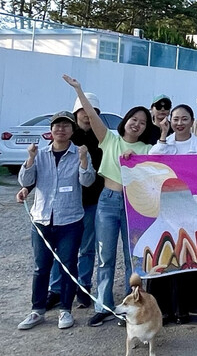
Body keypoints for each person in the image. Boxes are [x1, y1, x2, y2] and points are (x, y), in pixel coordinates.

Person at [62, 74, 155, 327]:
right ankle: (103, 305)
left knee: (132, 258)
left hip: (134, 203)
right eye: (134, 119)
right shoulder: (110, 138)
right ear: (126, 121)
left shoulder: (147, 150)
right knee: (105, 256)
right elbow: (91, 117)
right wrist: (79, 90)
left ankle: (131, 308)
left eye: (143, 122)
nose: (137, 124)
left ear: (146, 128)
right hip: (108, 200)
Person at [19, 93, 105, 312]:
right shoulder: (64, 139)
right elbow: (43, 173)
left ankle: (82, 286)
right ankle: (56, 290)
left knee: (85, 249)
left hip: (91, 202)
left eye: (92, 111)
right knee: (59, 252)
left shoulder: (103, 138)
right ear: (76, 114)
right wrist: (26, 189)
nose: (87, 115)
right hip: (60, 206)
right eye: (83, 111)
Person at [145, 104, 197, 325]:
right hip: (164, 209)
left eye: (184, 119)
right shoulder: (165, 143)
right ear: (169, 121)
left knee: (187, 257)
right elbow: (151, 160)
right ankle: (163, 309)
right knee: (164, 257)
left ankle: (185, 308)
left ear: (192, 121)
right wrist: (163, 135)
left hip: (190, 209)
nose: (179, 123)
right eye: (176, 119)